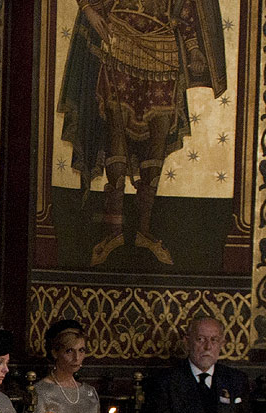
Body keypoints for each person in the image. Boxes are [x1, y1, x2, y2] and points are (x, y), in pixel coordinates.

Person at [56, 0, 226, 266]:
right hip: (120, 39)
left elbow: (187, 8)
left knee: (157, 137)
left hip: (164, 48)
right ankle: (113, 231)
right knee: (116, 134)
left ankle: (143, 231)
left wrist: (193, 48)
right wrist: (88, 8)